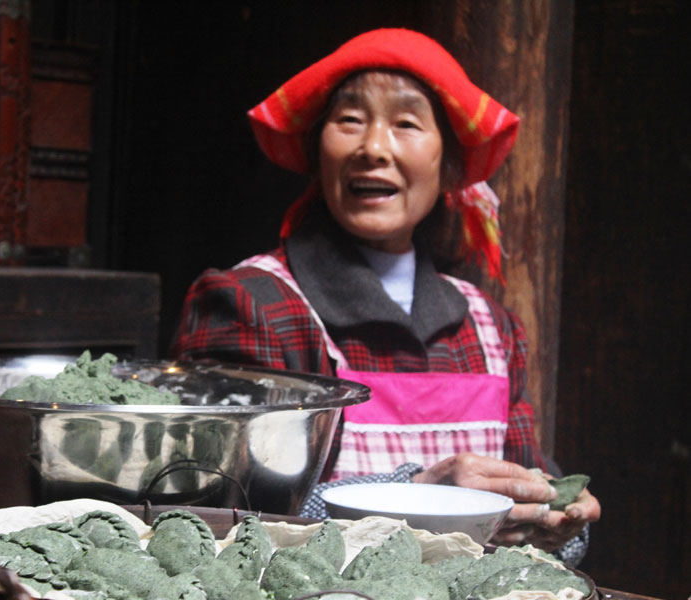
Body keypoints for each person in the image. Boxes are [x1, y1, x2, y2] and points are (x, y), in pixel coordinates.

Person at [169, 28, 600, 564]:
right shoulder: (250, 304)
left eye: (406, 124)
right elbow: (219, 517)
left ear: (448, 165)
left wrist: (556, 523)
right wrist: (417, 492)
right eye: (350, 120)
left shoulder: (491, 327)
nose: (373, 147)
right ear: (317, 151)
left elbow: (528, 500)